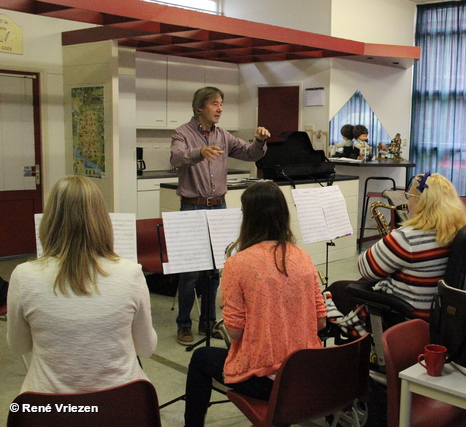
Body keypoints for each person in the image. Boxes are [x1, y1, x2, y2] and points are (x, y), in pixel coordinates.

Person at [183, 181, 327, 427]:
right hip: (305, 373)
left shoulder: (238, 264)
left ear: (248, 218)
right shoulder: (302, 256)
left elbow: (236, 333)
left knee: (200, 358)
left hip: (268, 380)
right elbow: (321, 322)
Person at [6, 175, 157, 393]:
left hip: (48, 407)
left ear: (50, 220)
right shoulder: (130, 273)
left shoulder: (24, 275)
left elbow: (19, 346)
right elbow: (146, 348)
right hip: (122, 405)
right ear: (102, 219)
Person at [170, 86, 271, 345]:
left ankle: (207, 322)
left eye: (221, 104)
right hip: (192, 207)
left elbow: (250, 154)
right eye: (214, 104)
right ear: (200, 107)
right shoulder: (183, 132)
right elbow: (176, 158)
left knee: (216, 268)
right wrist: (199, 152)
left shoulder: (223, 136)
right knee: (190, 271)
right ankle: (184, 324)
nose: (219, 108)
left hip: (219, 207)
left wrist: (260, 140)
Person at [326, 173, 466, 335]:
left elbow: (365, 268)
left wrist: (389, 243)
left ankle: (343, 349)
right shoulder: (458, 229)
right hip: (435, 315)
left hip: (404, 317)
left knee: (335, 291)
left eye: (408, 196)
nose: (407, 201)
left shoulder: (408, 237)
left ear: (421, 202)